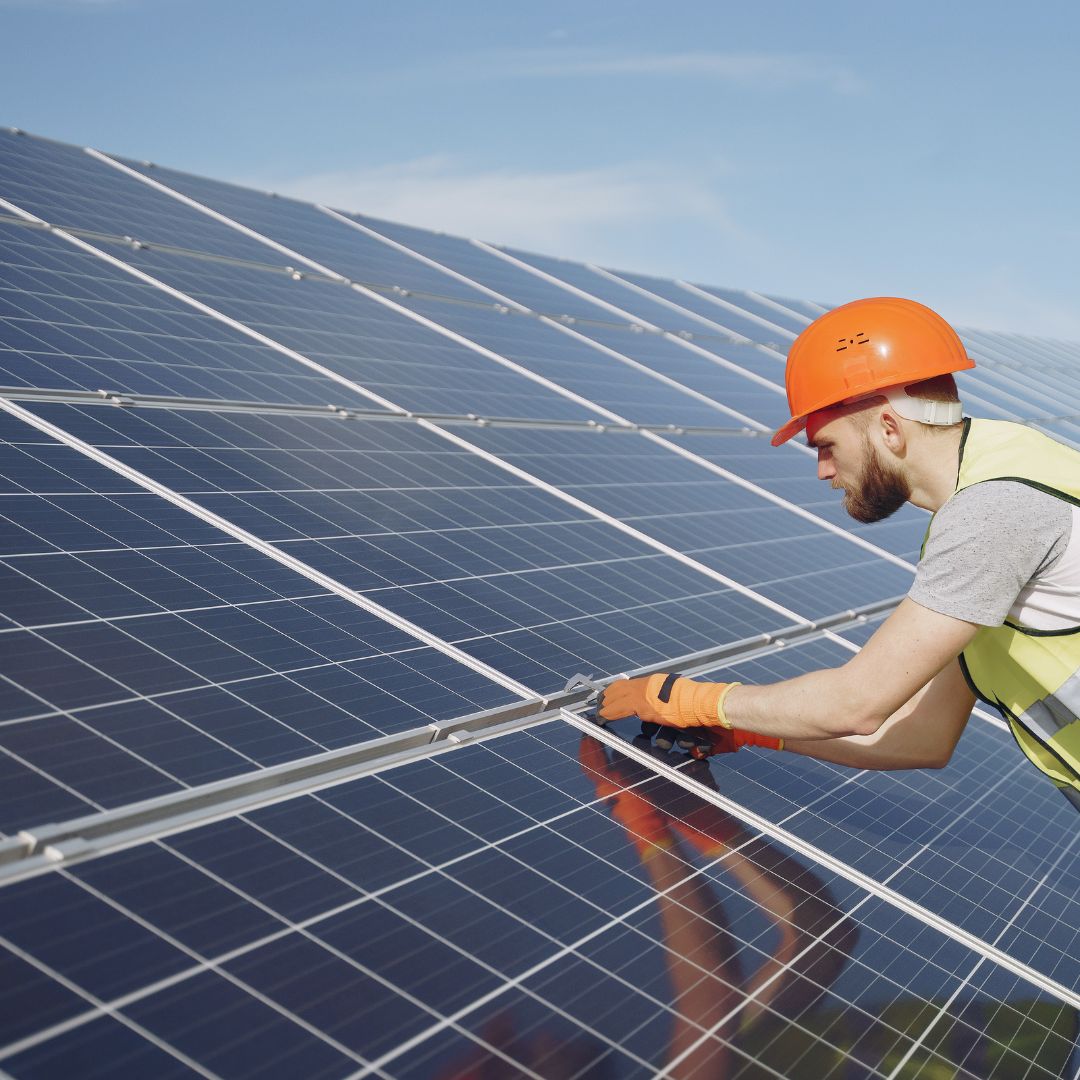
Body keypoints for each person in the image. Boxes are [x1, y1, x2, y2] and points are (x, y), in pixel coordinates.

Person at [597, 297, 1080, 811]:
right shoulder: (999, 482)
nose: (823, 471)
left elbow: (857, 704)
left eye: (826, 445)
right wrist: (755, 732)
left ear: (890, 429)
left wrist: (691, 701)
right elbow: (922, 736)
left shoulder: (994, 512)